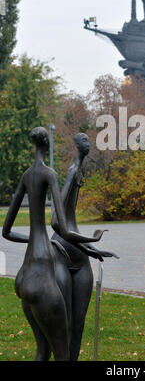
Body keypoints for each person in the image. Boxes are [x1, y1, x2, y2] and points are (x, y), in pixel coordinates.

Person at [2, 127, 103, 361]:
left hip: (24, 277)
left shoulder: (26, 175)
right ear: (47, 145)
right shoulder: (50, 174)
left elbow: (6, 232)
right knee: (62, 353)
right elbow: (60, 226)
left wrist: (34, 241)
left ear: (34, 145)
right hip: (43, 277)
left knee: (42, 351)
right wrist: (92, 239)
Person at [51, 133, 118, 361]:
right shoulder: (72, 171)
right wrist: (91, 243)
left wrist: (90, 248)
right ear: (77, 146)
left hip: (79, 255)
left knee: (78, 324)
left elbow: (70, 223)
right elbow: (56, 221)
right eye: (84, 142)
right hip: (62, 251)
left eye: (90, 142)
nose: (88, 145)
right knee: (66, 323)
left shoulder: (80, 170)